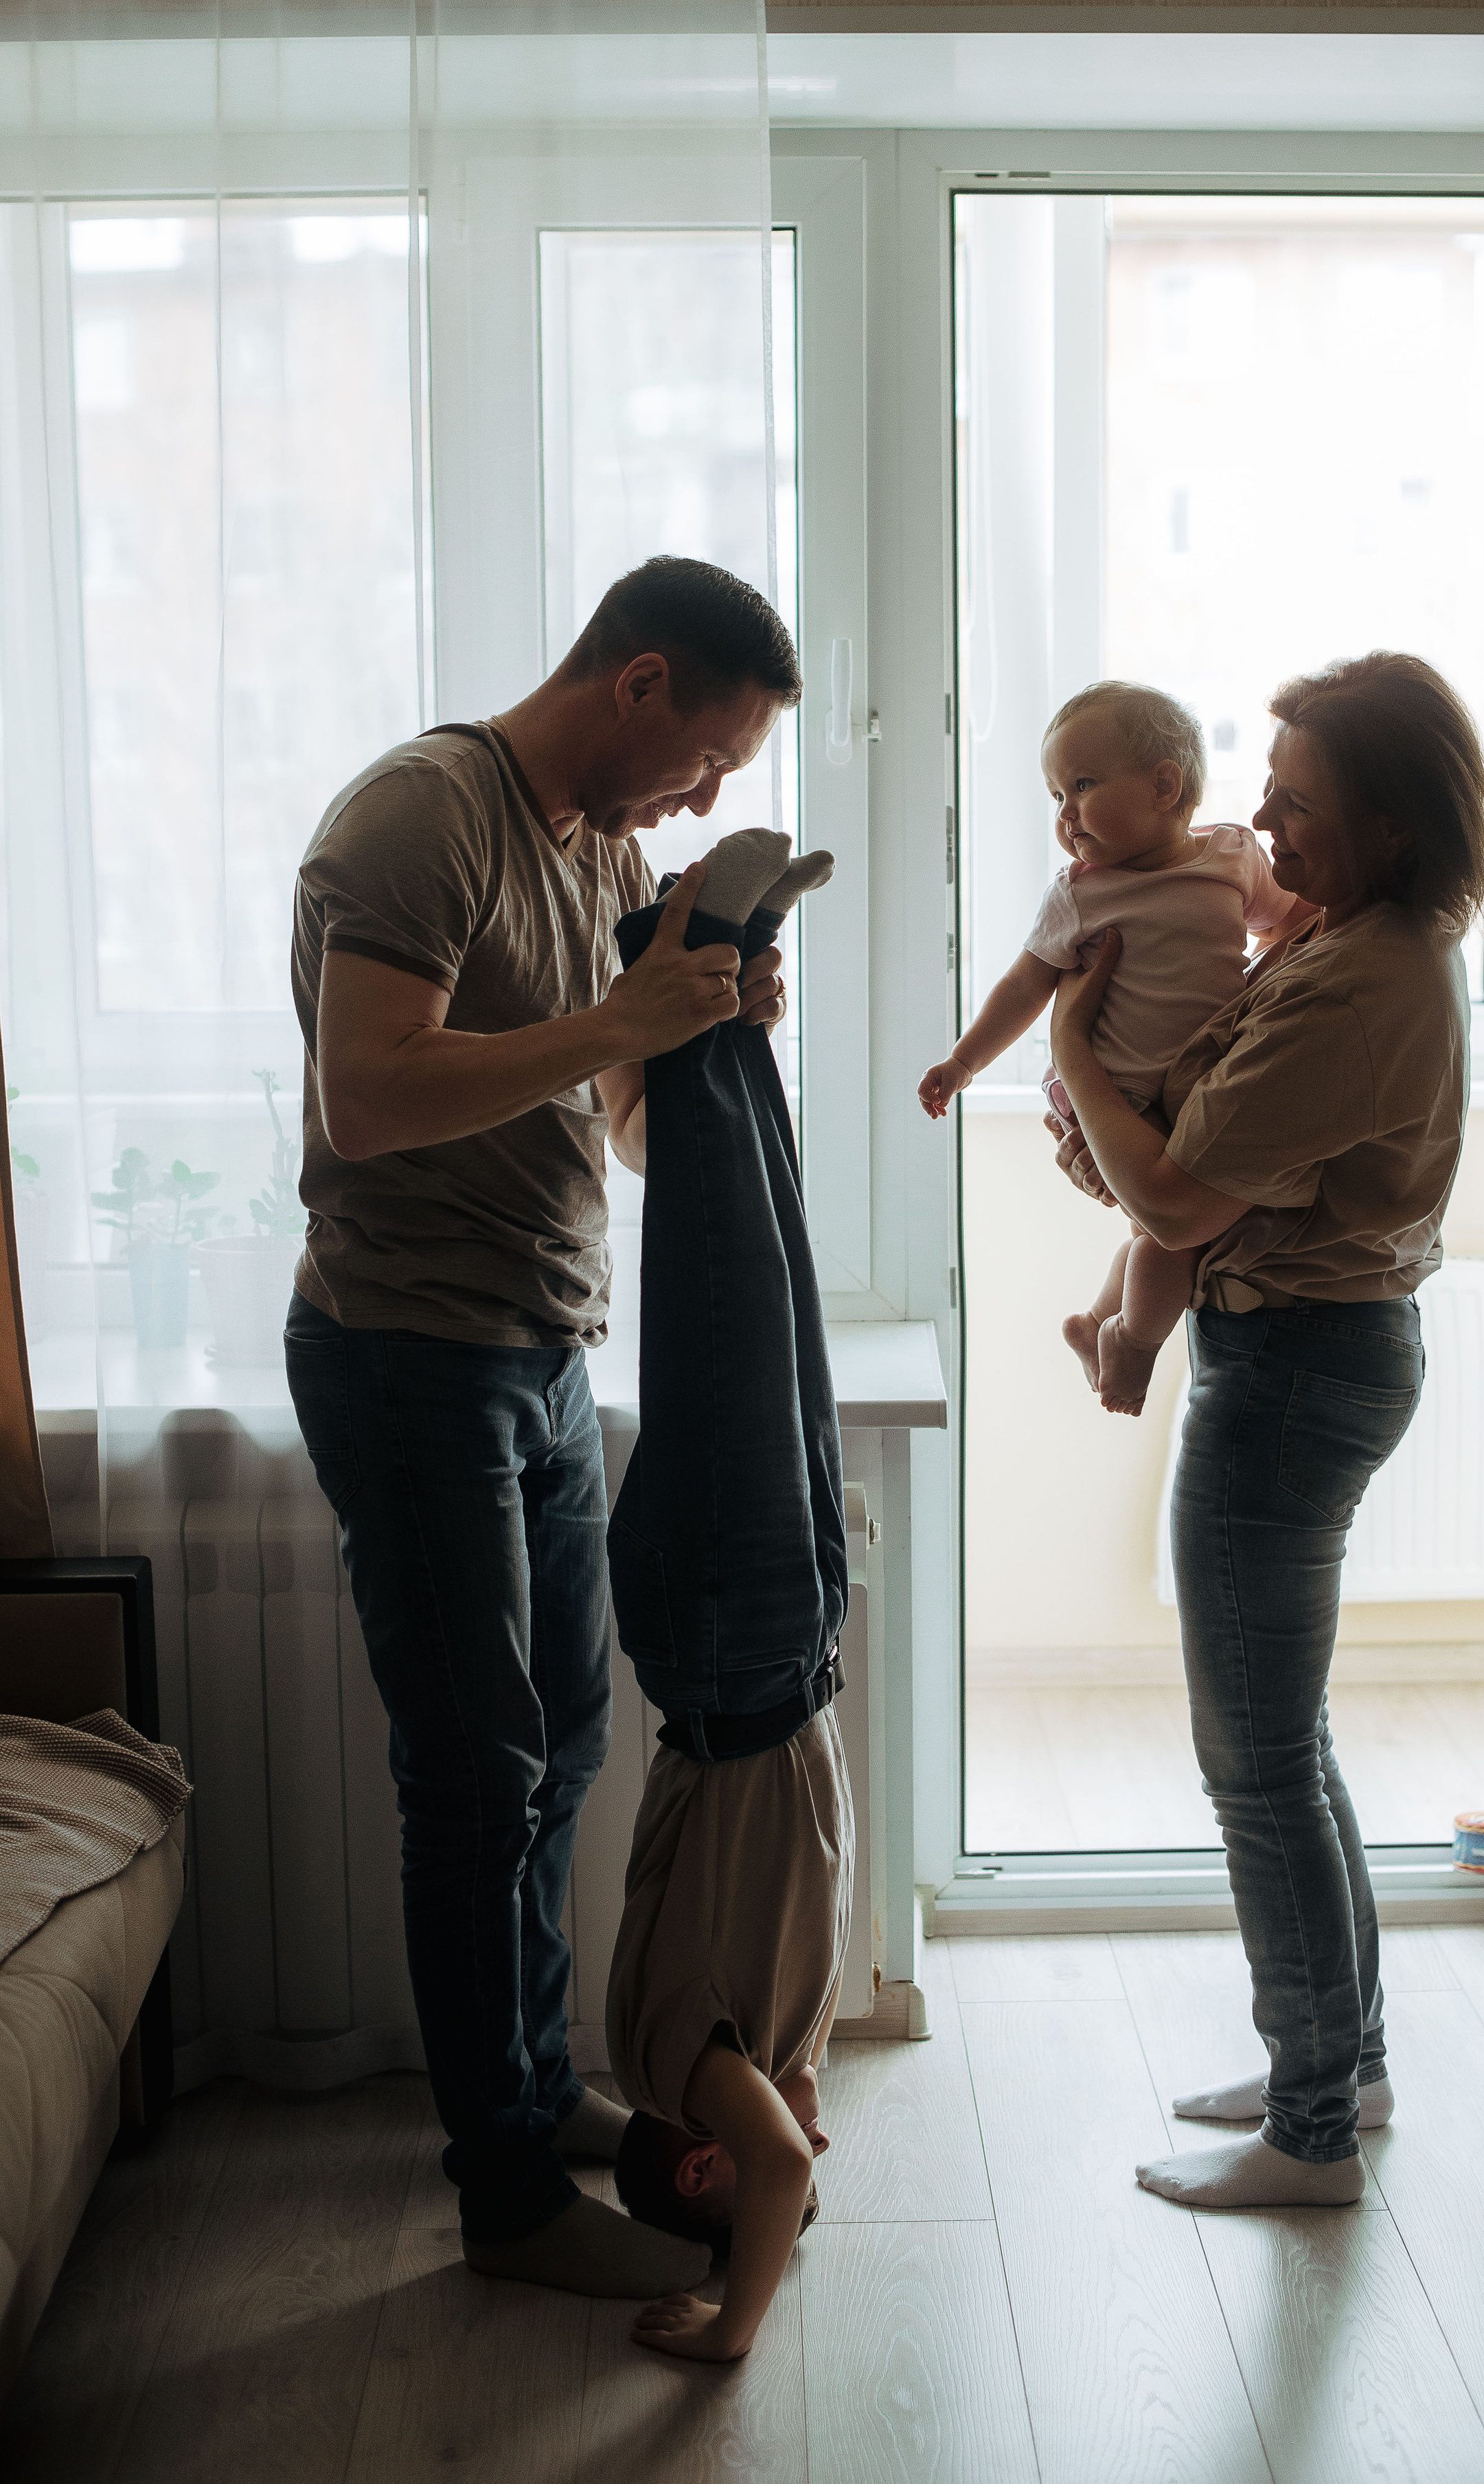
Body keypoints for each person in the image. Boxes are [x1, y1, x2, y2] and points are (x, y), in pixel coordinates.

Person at [284, 556, 801, 2298]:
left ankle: (529, 2088)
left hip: (538, 1347)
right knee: (476, 1773)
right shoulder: (422, 815)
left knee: (565, 1746)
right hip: (405, 1352)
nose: (706, 799)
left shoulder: (603, 855)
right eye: (708, 755)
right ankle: (501, 2191)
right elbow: (366, 1096)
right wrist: (613, 1016)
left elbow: (623, 1129)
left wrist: (695, 1033)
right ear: (637, 680)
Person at [1042, 650, 1484, 2211]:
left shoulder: (1372, 978)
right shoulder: (1352, 944)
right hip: (1301, 1349)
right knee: (1283, 1744)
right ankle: (1340, 2063)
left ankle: (1308, 2129)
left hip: (1293, 1369)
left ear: (1386, 823)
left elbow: (1171, 1191)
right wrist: (1118, 1121)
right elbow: (1187, 1158)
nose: (1260, 822)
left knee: (1252, 1768)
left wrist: (1068, 1061)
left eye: (1294, 803)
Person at [597, 827, 853, 2366]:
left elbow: (762, 2162)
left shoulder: (673, 2062)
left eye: (785, 2174)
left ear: (704, 2163)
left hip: (719, 1631)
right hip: (786, 1636)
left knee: (709, 1288)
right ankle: (728, 964)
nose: (805, 2144)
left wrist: (727, 2323)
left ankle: (676, 946)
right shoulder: (765, 2037)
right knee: (775, 1271)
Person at [918, 682, 1299, 1413]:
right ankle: (1132, 1346)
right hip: (1118, 1089)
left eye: (1082, 787)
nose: (1064, 814)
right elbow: (1025, 985)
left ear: (1164, 786)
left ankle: (1096, 1321)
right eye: (1056, 795)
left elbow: (1289, 917)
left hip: (1193, 1092)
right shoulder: (1080, 893)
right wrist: (963, 1062)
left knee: (1164, 1227)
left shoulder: (1231, 856)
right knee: (1171, 1234)